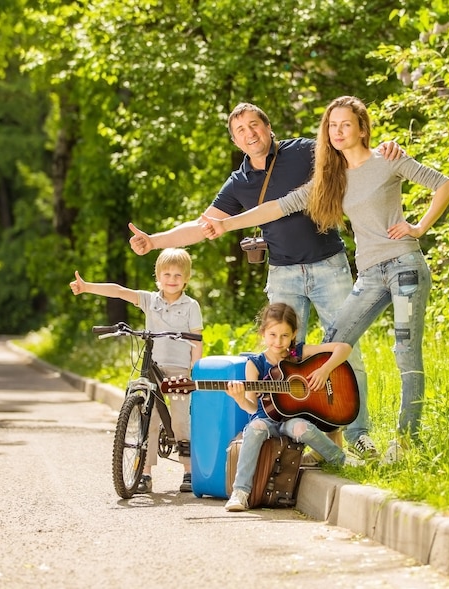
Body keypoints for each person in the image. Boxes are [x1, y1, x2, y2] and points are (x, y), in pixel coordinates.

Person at [128, 102, 403, 460]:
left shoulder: (302, 151)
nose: (250, 133)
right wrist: (154, 241)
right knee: (285, 359)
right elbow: (202, 227)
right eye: (241, 130)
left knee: (346, 352)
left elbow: (348, 147)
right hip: (283, 273)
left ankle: (360, 435)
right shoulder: (239, 182)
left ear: (268, 127)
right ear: (235, 140)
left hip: (329, 266)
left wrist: (386, 149)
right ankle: (303, 438)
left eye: (254, 125)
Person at [201, 95, 449, 464]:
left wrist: (418, 226)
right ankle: (330, 432)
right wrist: (225, 223)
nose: (337, 132)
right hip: (369, 274)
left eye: (345, 124)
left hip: (404, 266)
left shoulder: (388, 159)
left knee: (405, 353)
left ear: (362, 129)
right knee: (334, 343)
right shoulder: (330, 178)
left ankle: (405, 442)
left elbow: (444, 184)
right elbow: (279, 206)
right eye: (331, 126)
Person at [69, 248, 203, 492]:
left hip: (179, 369)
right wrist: (87, 287)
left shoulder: (191, 305)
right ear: (157, 276)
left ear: (186, 279)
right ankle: (144, 473)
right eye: (166, 274)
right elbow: (119, 291)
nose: (171, 280)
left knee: (182, 420)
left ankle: (188, 472)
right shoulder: (150, 300)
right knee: (147, 419)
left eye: (177, 275)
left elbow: (197, 339)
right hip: (154, 365)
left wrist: (196, 364)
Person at [225, 302, 363, 512]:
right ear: (263, 333)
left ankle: (341, 460)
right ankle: (240, 492)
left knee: (302, 428)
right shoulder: (255, 364)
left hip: (292, 419)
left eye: (284, 335)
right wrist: (239, 399)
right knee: (254, 429)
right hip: (266, 419)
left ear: (294, 334)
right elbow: (251, 407)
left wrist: (324, 371)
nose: (278, 342)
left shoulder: (298, 354)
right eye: (272, 335)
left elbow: (343, 348)